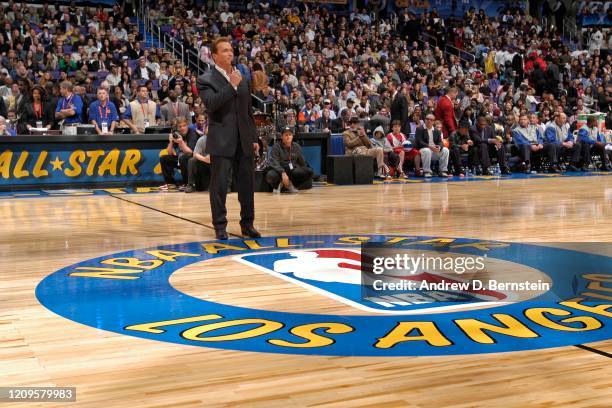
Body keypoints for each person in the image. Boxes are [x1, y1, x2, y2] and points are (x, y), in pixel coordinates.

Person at [196, 36, 261, 240]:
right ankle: (220, 226)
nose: (230, 53)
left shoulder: (241, 77)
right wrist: (231, 86)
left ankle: (247, 224)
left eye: (231, 49)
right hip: (222, 140)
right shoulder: (205, 80)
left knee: (247, 186)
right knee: (220, 187)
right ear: (214, 56)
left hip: (244, 140)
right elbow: (212, 104)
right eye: (224, 50)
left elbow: (247, 112)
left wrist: (254, 138)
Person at [266, 126, 313, 193]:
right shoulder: (276, 147)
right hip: (280, 172)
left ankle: (292, 185)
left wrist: (303, 171)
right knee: (270, 175)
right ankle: (279, 185)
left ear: (292, 136)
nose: (288, 137)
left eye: (290, 135)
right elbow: (274, 162)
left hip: (292, 171)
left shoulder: (296, 146)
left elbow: (302, 162)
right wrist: (283, 172)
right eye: (286, 135)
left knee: (309, 171)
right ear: (282, 136)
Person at [159, 118, 199, 191]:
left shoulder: (192, 134)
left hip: (193, 160)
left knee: (183, 158)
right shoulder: (177, 133)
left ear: (187, 125)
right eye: (180, 126)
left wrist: (181, 142)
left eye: (184, 125)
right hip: (180, 158)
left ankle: (187, 183)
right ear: (178, 128)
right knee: (164, 158)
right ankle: (171, 183)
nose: (182, 128)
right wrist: (171, 141)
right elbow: (169, 152)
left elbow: (190, 152)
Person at [185, 122, 210, 193]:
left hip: (217, 164)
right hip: (205, 163)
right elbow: (195, 154)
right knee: (192, 160)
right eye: (208, 127)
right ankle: (190, 184)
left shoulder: (220, 139)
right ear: (205, 129)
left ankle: (227, 186)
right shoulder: (202, 139)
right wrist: (205, 159)